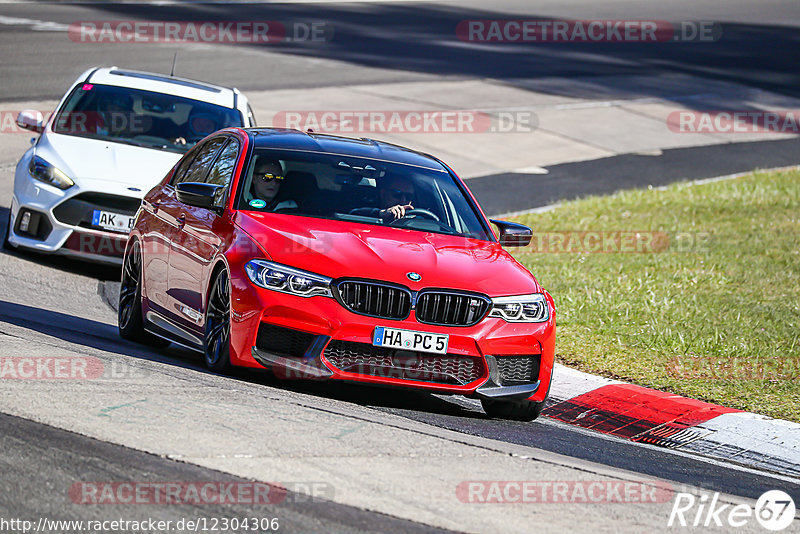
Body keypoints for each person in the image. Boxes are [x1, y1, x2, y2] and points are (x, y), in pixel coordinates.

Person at [351, 175, 415, 221]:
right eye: (397, 194)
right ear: (383, 193)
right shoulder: (368, 209)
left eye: (408, 196)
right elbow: (354, 214)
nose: (403, 200)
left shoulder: (417, 217)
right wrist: (381, 213)